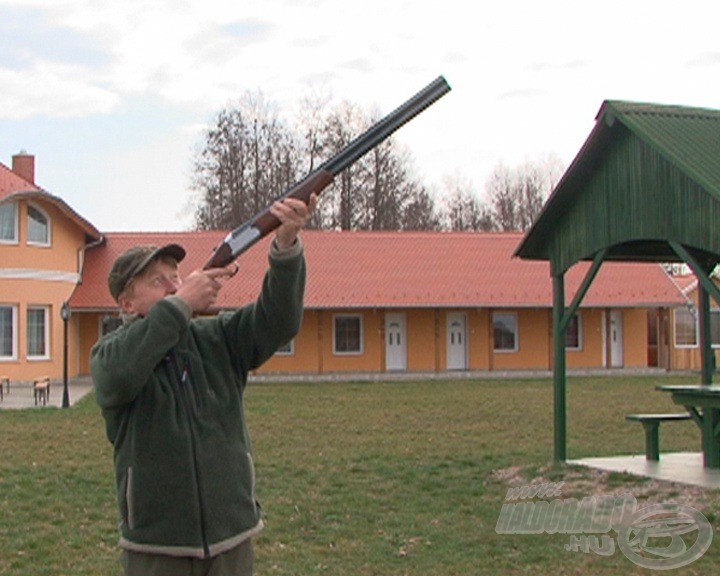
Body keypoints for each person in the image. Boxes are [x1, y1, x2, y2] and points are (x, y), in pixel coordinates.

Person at [90, 195, 317, 576]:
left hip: (232, 537)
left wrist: (286, 245)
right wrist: (180, 305)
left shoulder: (216, 337)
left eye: (176, 277)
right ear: (127, 304)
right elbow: (119, 377)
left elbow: (278, 321)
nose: (173, 286)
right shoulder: (111, 354)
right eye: (156, 281)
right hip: (157, 547)